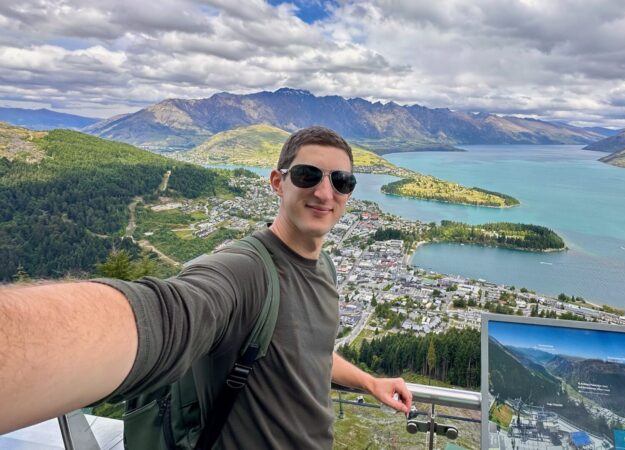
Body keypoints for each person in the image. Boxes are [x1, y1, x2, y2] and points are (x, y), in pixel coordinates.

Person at [0, 126, 412, 448]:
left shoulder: (325, 267)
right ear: (277, 182)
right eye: (308, 175)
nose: (325, 192)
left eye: (342, 181)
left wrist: (368, 382)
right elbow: (167, 316)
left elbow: (308, 355)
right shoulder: (244, 270)